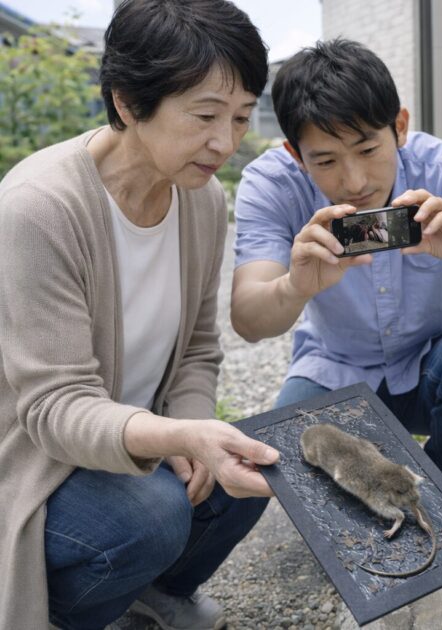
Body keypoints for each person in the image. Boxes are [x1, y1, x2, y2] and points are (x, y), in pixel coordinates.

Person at [0, 2, 277, 628]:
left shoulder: (202, 200)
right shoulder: (40, 208)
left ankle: (152, 594)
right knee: (153, 514)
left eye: (240, 117)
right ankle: (70, 614)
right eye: (205, 116)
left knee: (260, 465)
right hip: (40, 463)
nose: (226, 142)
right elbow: (55, 407)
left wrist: (191, 428)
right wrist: (178, 439)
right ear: (127, 103)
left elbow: (199, 347)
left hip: (135, 438)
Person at [230, 39, 442, 513]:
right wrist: (295, 286)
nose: (354, 181)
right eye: (325, 161)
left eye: (368, 148)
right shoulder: (272, 185)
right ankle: (379, 521)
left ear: (401, 126)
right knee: (288, 444)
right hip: (334, 365)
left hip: (438, 364)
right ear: (294, 153)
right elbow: (248, 321)